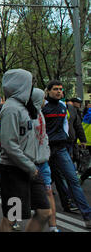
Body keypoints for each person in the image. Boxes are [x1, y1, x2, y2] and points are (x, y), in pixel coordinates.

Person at [0, 69, 51, 232]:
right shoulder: (11, 109)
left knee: (44, 212)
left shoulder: (24, 108)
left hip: (29, 168)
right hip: (13, 170)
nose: (32, 87)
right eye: (29, 83)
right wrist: (30, 167)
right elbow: (9, 145)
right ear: (19, 85)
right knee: (12, 217)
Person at [42, 80, 91, 228]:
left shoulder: (64, 107)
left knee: (73, 180)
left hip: (62, 149)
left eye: (60, 89)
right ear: (48, 91)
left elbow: (71, 125)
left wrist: (79, 139)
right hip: (45, 150)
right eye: (55, 89)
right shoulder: (42, 107)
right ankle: (20, 214)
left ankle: (87, 216)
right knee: (43, 183)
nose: (59, 92)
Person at [31, 88, 60, 232]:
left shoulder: (41, 113)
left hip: (43, 162)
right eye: (42, 98)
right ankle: (14, 219)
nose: (45, 101)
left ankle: (53, 227)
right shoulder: (26, 115)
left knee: (49, 192)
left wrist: (45, 152)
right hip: (29, 163)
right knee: (19, 195)